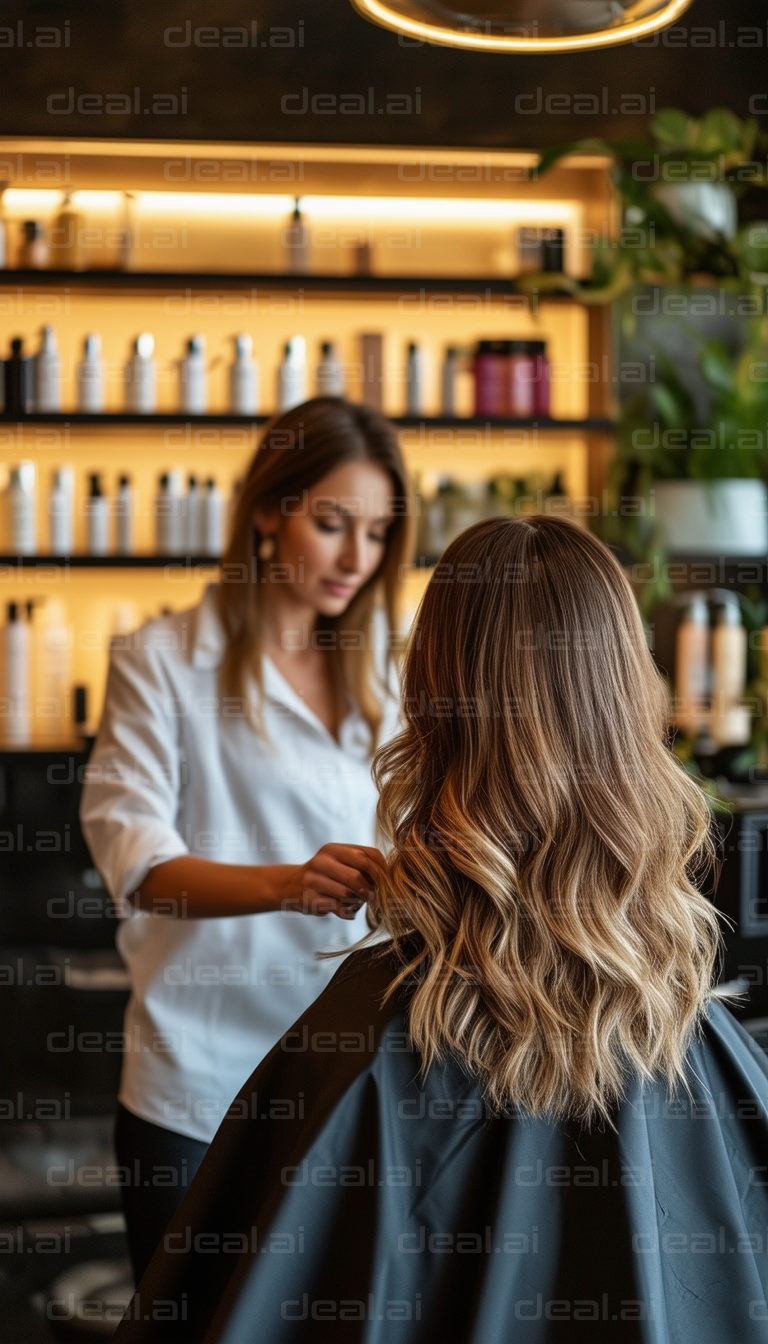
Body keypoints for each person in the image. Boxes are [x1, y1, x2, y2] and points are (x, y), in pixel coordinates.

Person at [113, 515, 768, 1344]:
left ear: (431, 706)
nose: (356, 553)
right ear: (632, 706)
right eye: (332, 524)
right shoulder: (699, 1036)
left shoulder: (364, 1049)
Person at [79, 397, 413, 1282]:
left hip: (349, 1082)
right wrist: (286, 884)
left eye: (377, 534)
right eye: (332, 524)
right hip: (200, 1087)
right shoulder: (162, 662)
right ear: (269, 510)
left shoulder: (386, 667)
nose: (356, 558)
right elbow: (140, 862)